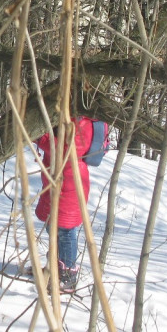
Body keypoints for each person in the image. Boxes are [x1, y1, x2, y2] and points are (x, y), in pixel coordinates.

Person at [34, 115, 95, 294]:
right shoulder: (70, 116)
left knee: (66, 232)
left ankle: (68, 276)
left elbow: (65, 150)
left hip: (70, 184)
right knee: (52, 227)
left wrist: (39, 137)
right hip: (58, 181)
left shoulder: (83, 122)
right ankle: (54, 268)